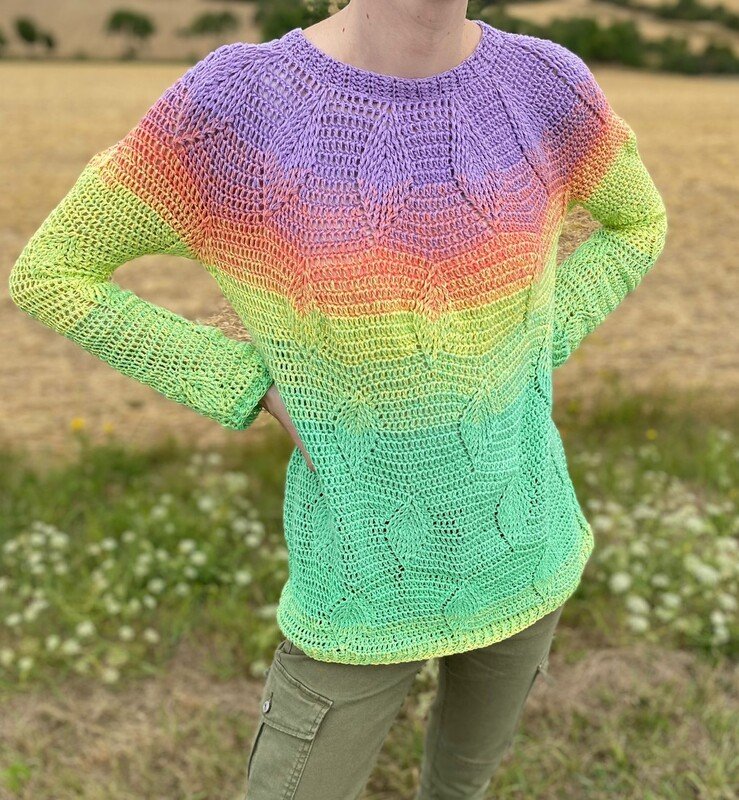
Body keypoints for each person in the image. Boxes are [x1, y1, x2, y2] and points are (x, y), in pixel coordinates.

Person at [8, 0, 668, 797]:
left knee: (459, 789)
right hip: (359, 571)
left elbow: (637, 223)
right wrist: (249, 385)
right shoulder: (237, 105)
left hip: (526, 540)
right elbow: (53, 274)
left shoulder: (544, 85)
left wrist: (532, 339)